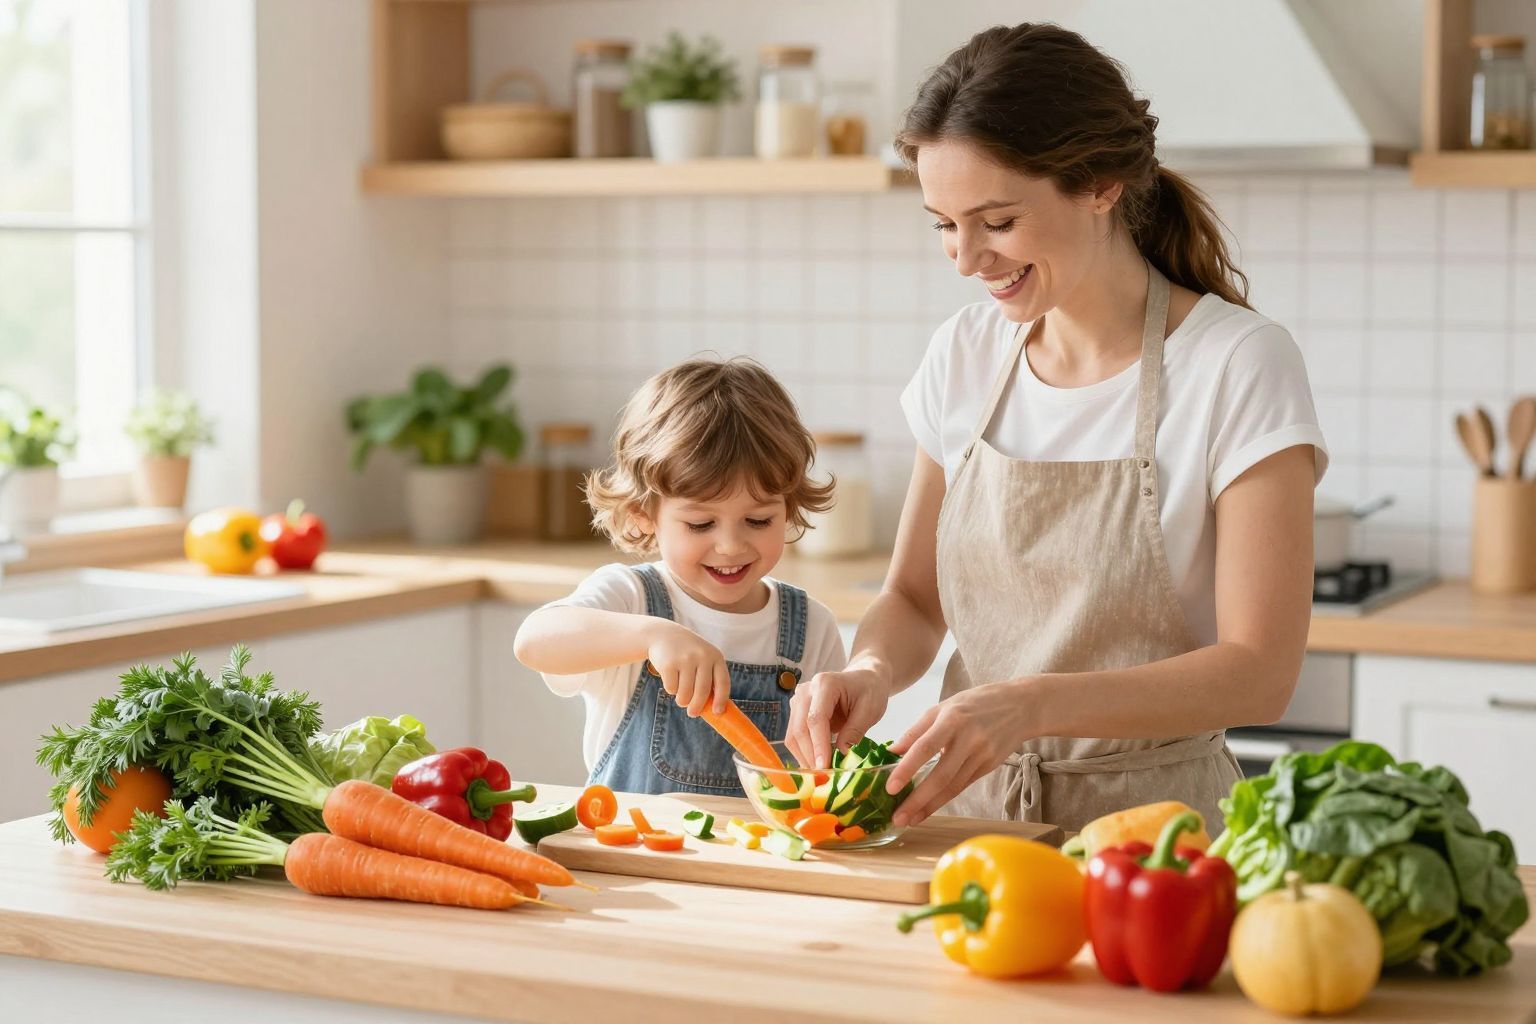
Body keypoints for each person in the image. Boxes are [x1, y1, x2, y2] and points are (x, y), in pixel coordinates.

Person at [786, 22, 1328, 833]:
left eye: (996, 222)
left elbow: (1260, 672)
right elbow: (911, 597)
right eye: (943, 223)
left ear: (1101, 184)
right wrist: (869, 670)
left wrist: (1028, 705)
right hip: (970, 825)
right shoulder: (963, 354)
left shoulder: (1238, 363)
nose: (967, 259)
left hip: (1160, 838)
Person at [514, 357, 848, 796]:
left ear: (789, 506)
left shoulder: (811, 628)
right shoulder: (631, 598)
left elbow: (831, 761)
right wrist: (653, 636)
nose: (731, 545)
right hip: (631, 858)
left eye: (759, 520)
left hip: (760, 861)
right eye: (700, 525)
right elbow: (534, 641)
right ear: (644, 515)